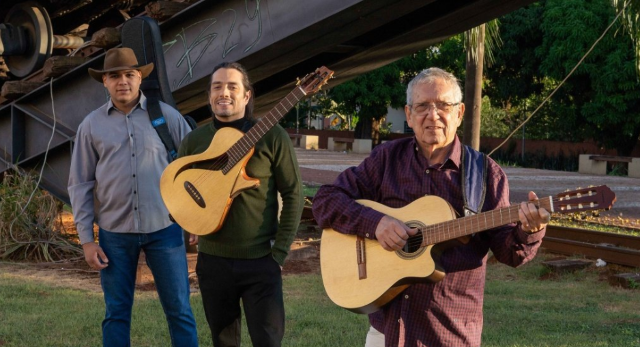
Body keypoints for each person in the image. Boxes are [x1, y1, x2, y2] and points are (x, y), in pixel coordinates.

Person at [312, 67, 550, 347]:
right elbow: (326, 199)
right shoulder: (387, 159)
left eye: (443, 106)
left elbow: (510, 253)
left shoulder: (486, 175)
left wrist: (530, 231)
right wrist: (375, 224)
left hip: (449, 333)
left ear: (459, 113)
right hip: (387, 332)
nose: (433, 115)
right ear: (409, 114)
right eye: (423, 106)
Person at [68, 47, 198, 347]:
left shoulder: (166, 117)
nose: (122, 81)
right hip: (114, 235)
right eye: (114, 76)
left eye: (129, 74)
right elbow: (80, 184)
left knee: (180, 310)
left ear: (140, 77)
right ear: (104, 82)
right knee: (116, 313)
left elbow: (191, 169)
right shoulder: (91, 125)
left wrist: (193, 219)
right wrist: (87, 240)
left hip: (164, 230)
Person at [178, 62, 303, 347]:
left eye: (233, 86)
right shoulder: (194, 141)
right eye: (217, 87)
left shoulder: (273, 136)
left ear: (247, 96)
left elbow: (294, 193)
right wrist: (192, 222)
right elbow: (180, 194)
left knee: (268, 341)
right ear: (209, 96)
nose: (224, 93)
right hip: (212, 262)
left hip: (262, 261)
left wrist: (279, 254)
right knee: (223, 342)